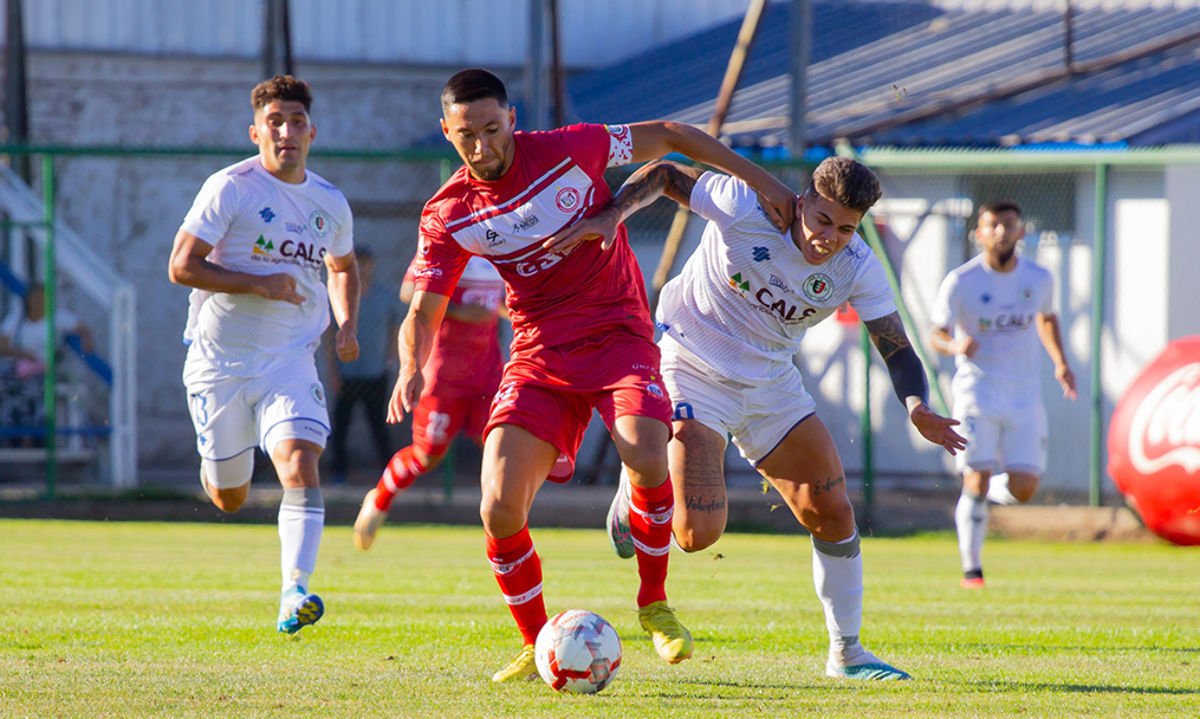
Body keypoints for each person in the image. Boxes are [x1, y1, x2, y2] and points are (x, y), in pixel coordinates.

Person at [391, 68, 797, 683]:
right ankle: (537, 643)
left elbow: (669, 135)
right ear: (446, 131)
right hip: (538, 353)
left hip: (617, 334)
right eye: (467, 134)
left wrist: (762, 180)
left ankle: (654, 603)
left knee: (645, 451)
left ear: (512, 118)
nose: (483, 146)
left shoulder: (568, 149)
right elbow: (423, 308)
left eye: (493, 128)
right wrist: (409, 366)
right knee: (498, 507)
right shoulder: (447, 213)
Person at [551, 156, 966, 680]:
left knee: (833, 510)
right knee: (696, 535)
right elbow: (663, 172)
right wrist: (615, 212)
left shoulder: (857, 264)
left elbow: (897, 348)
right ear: (803, 201)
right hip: (690, 366)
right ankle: (640, 481)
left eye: (845, 228)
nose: (829, 237)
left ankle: (847, 654)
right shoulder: (744, 204)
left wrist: (917, 406)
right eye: (822, 220)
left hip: (772, 384)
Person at [167, 74, 358, 635]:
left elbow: (341, 267)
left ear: (311, 131)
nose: (286, 132)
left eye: (295, 121)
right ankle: (220, 461)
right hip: (218, 363)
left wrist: (345, 324)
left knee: (300, 463)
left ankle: (293, 592)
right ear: (256, 132)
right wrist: (260, 284)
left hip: (290, 360)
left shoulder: (329, 202)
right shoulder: (231, 188)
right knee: (229, 497)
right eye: (274, 122)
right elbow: (181, 266)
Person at [929, 200, 1076, 589]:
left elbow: (1046, 317)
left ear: (1021, 231)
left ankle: (981, 490)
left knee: (1024, 488)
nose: (1000, 232)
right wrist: (955, 346)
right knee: (976, 477)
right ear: (979, 234)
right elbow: (936, 333)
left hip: (1024, 396)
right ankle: (971, 570)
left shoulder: (1040, 278)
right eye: (992, 226)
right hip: (977, 390)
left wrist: (1060, 362)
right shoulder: (961, 281)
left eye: (1008, 225)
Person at [353, 253, 506, 550]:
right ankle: (380, 498)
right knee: (428, 456)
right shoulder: (449, 233)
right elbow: (409, 292)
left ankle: (505, 530)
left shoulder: (503, 237)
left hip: (488, 372)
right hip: (443, 373)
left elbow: (502, 301)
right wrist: (461, 311)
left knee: (500, 446)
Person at [325, 247, 402, 484]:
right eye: (358, 264)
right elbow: (329, 335)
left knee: (379, 424)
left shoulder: (385, 295)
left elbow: (395, 327)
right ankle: (339, 472)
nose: (363, 268)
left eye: (367, 263)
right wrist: (333, 371)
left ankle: (389, 476)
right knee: (341, 426)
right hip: (347, 373)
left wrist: (390, 360)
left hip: (376, 373)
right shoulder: (341, 296)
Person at [0, 283, 94, 444]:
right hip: (20, 366)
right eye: (35, 298)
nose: (39, 302)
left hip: (44, 369)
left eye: (43, 298)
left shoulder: (57, 317)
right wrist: (22, 354)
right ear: (28, 300)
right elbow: (3, 345)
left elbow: (82, 328)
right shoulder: (18, 317)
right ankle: (10, 435)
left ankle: (34, 438)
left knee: (34, 390)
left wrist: (87, 341)